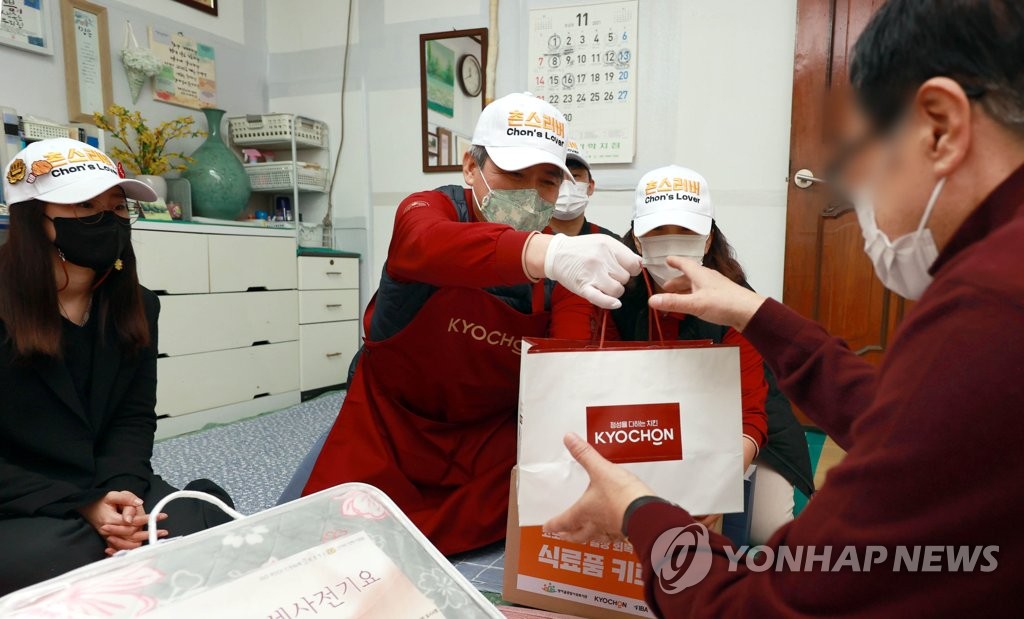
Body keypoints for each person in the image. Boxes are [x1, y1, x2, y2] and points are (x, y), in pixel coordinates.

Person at [544, 0, 1024, 615]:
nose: (858, 197)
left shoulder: (984, 310)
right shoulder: (993, 292)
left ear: (940, 126)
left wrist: (638, 511)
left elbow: (764, 604)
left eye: (857, 155)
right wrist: (756, 314)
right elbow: (908, 424)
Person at [302, 93, 643, 555]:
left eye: (546, 181)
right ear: (470, 167)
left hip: (484, 457)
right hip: (387, 435)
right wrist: (547, 252)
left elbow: (564, 367)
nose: (529, 194)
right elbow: (424, 244)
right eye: (514, 174)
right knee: (327, 551)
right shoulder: (428, 211)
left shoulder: (566, 267)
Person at [0, 138, 234, 595]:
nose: (108, 220)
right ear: (33, 220)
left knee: (192, 521)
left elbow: (133, 417)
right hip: (20, 498)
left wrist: (121, 495)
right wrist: (82, 505)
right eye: (86, 206)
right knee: (56, 559)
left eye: (118, 207)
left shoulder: (137, 305)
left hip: (103, 481)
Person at [614, 165, 812, 539]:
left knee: (768, 529)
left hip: (729, 423)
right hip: (641, 427)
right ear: (637, 239)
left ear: (707, 241)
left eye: (686, 232)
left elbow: (751, 413)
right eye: (658, 232)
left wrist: (718, 485)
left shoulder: (735, 298)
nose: (671, 244)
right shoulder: (615, 293)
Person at [547, 142, 619, 239]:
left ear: (590, 186)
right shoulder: (527, 241)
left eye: (574, 175)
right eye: (556, 176)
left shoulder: (610, 242)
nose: (566, 184)